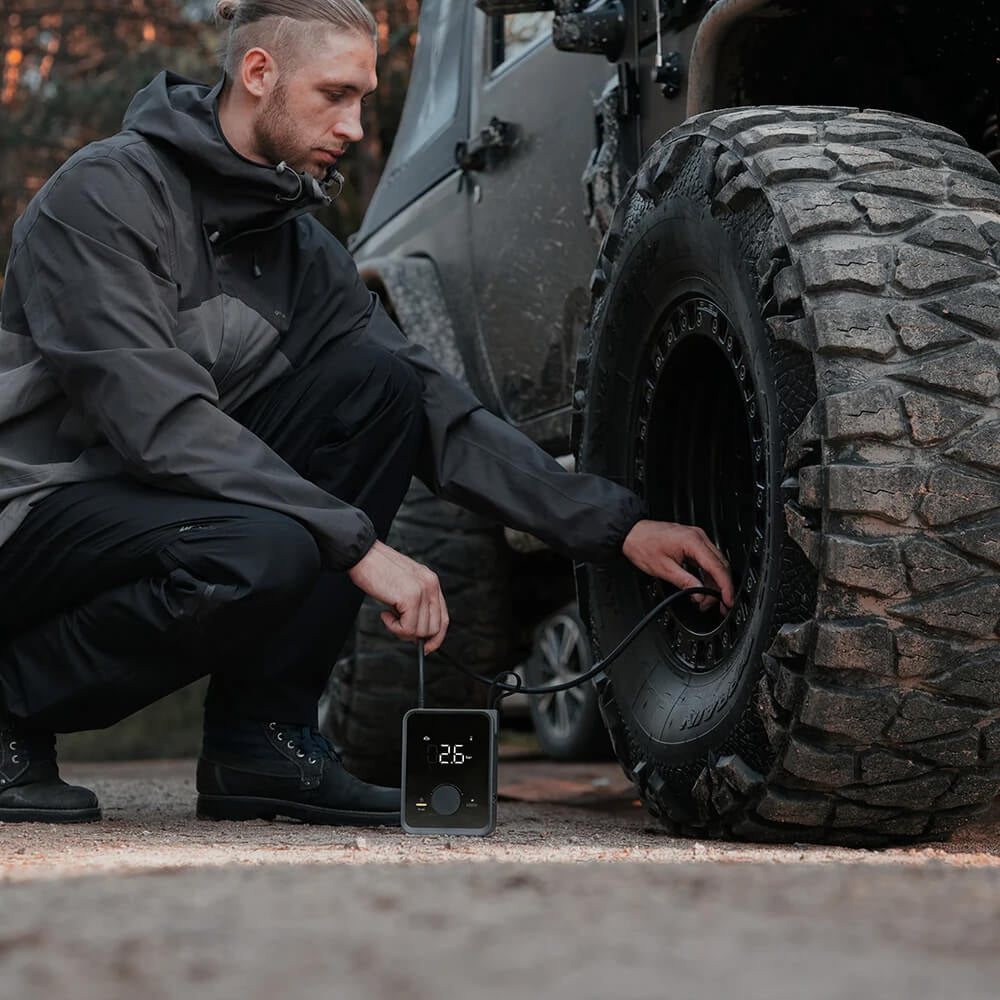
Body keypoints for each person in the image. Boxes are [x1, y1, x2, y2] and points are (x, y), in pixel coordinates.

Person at [0, 0, 733, 826]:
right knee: (262, 550)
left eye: (362, 100)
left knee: (379, 386)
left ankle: (260, 743)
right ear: (258, 73)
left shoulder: (298, 248)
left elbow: (433, 405)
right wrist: (359, 545)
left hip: (159, 505)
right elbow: (156, 421)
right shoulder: (104, 195)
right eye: (335, 95)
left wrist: (617, 527)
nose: (353, 126)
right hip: (32, 514)